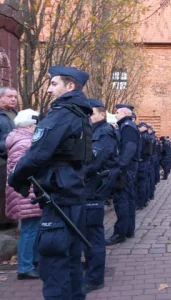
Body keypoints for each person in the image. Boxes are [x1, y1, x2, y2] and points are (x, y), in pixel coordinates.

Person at [8, 66, 92, 299]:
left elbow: (38, 153)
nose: (48, 89)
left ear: (70, 86)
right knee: (72, 259)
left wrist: (15, 178)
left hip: (58, 195)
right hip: (72, 192)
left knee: (54, 263)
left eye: (54, 84)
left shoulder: (62, 113)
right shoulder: (79, 113)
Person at [82, 99, 119, 293]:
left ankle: (95, 277)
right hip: (89, 187)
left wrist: (76, 172)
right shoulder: (94, 130)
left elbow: (95, 161)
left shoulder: (104, 132)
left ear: (102, 115)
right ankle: (89, 264)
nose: (88, 117)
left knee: (93, 232)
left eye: (92, 113)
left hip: (94, 187)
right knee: (87, 231)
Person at [5, 109, 41, 280]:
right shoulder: (24, 142)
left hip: (26, 191)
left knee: (32, 228)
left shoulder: (21, 140)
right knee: (29, 229)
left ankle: (32, 262)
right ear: (30, 125)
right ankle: (25, 267)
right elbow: (22, 168)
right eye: (36, 125)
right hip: (26, 192)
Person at [107, 104, 140, 246]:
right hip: (129, 169)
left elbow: (130, 148)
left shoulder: (127, 126)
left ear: (126, 113)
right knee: (128, 200)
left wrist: (120, 166)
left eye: (118, 112)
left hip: (126, 170)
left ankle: (120, 233)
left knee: (122, 201)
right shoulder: (128, 126)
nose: (116, 114)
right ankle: (128, 229)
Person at [0, 87, 18, 226]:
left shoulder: (16, 114)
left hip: (15, 160)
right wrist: (9, 145)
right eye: (9, 96)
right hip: (2, 161)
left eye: (15, 97)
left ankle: (11, 221)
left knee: (13, 191)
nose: (13, 99)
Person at [137, 122, 152, 210]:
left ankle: (141, 203)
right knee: (145, 181)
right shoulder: (148, 136)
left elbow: (140, 149)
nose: (138, 128)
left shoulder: (143, 137)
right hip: (147, 161)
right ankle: (145, 200)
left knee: (141, 183)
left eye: (139, 127)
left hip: (142, 161)